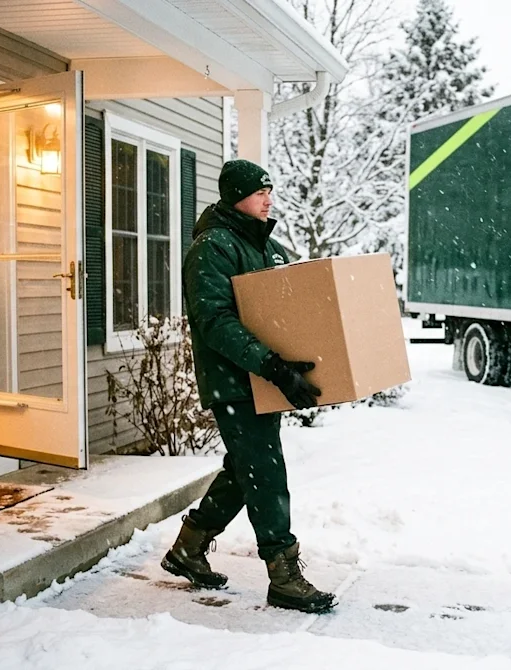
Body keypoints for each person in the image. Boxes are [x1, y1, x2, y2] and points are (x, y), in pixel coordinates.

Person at [161, 158, 335, 614]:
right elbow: (214, 321)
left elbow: (294, 308)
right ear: (236, 196)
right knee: (265, 471)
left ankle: (187, 549)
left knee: (245, 470)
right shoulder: (212, 248)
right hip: (235, 381)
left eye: (269, 191)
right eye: (260, 192)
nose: (268, 199)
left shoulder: (268, 247)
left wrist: (304, 367)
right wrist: (271, 365)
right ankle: (284, 575)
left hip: (265, 379)